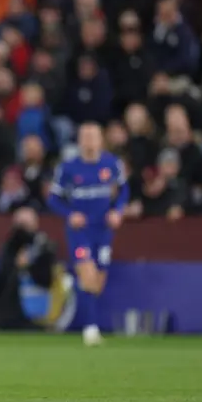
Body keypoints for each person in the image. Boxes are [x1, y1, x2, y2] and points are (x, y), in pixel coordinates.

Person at [47, 122, 129, 346]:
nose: (89, 140)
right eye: (85, 136)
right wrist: (69, 214)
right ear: (79, 140)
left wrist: (117, 211)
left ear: (101, 139)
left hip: (103, 230)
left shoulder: (111, 164)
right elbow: (53, 198)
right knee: (88, 275)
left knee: (97, 282)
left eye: (93, 136)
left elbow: (124, 190)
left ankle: (71, 285)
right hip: (79, 231)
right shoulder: (68, 167)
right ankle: (90, 329)